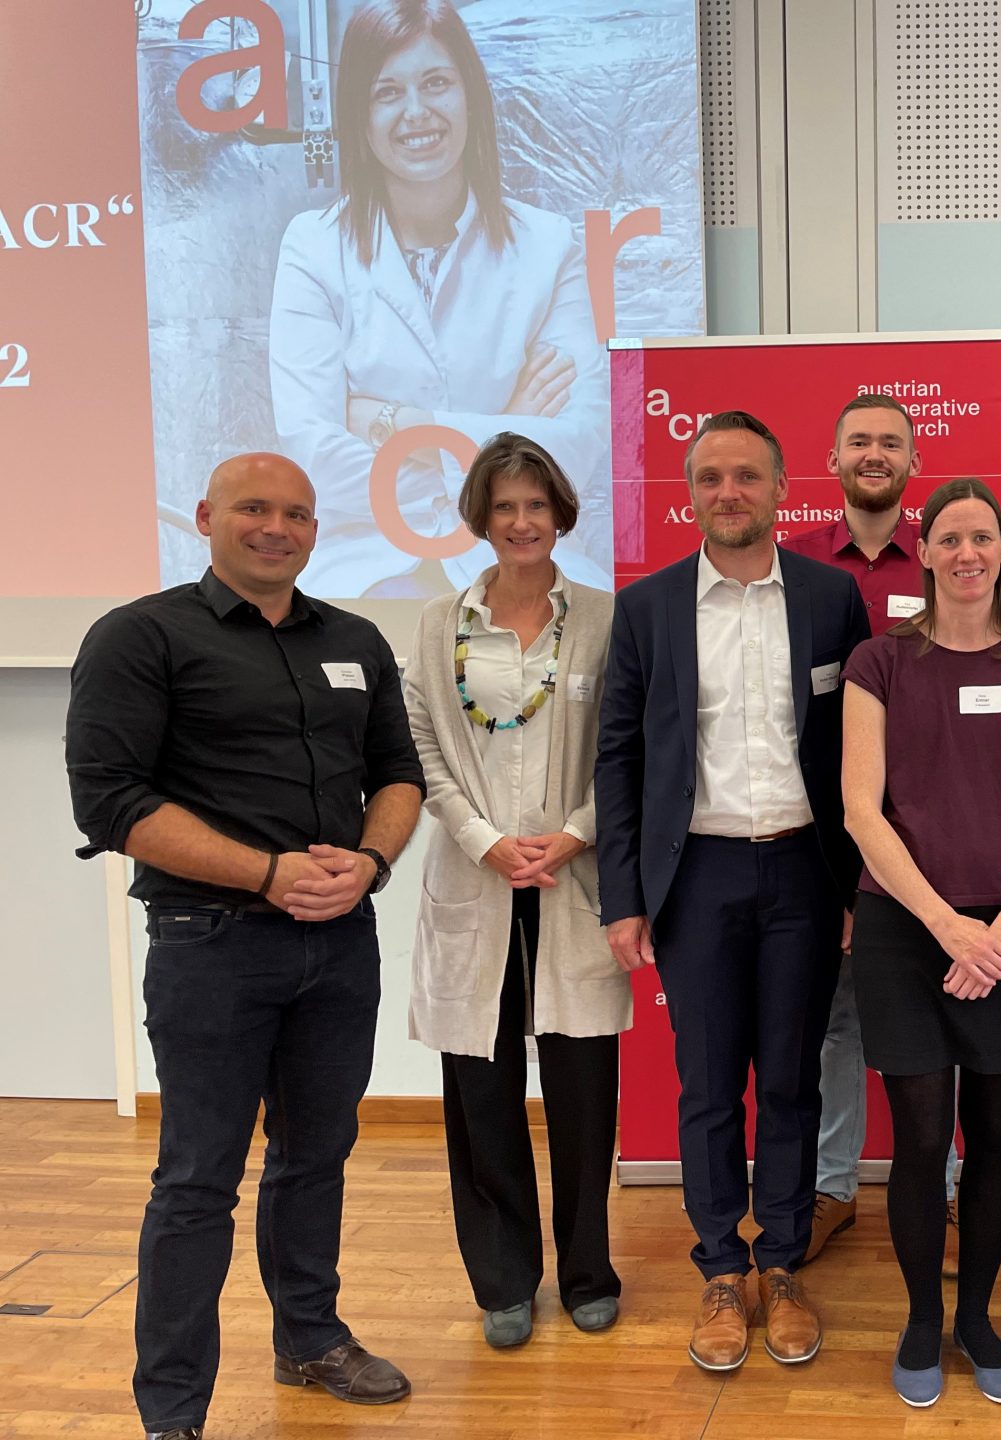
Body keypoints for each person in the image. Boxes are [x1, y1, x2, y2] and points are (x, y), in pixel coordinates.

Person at [66, 453, 425, 1440]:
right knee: (197, 1178)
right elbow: (111, 801)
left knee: (317, 1155)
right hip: (211, 942)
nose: (278, 527)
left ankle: (310, 1338)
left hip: (339, 943)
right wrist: (264, 873)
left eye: (297, 513)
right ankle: (172, 1411)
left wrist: (371, 862)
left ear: (317, 529)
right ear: (205, 518)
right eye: (255, 509)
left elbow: (398, 772)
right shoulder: (140, 636)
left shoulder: (354, 639)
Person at [594, 410, 869, 1374]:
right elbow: (619, 757)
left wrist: (855, 885)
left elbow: (854, 754)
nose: (728, 493)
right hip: (696, 876)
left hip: (805, 868)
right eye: (710, 477)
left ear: (783, 487)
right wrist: (622, 896)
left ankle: (782, 1264)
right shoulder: (650, 607)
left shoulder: (834, 599)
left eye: (747, 476)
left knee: (792, 1080)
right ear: (690, 492)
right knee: (709, 1086)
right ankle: (720, 1268)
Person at [841, 478, 1001, 1408]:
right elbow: (864, 807)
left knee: (991, 1138)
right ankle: (920, 1322)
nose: (968, 552)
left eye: (984, 537)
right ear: (925, 551)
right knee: (920, 1140)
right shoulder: (878, 662)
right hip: (907, 931)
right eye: (950, 538)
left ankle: (976, 1317)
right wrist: (948, 928)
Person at [402, 433, 628, 1348]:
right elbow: (418, 739)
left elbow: (630, 749)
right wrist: (484, 839)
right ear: (481, 519)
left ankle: (586, 1272)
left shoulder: (607, 618)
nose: (522, 522)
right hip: (478, 878)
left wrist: (574, 833)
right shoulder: (435, 625)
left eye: (536, 505)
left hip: (573, 878)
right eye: (504, 508)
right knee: (481, 1092)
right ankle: (502, 1278)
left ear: (561, 513)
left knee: (583, 1094)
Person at [270, 0, 609, 598]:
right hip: (365, 563)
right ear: (359, 113)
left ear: (470, 96)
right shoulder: (314, 247)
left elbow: (576, 451)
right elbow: (314, 457)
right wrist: (506, 429)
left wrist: (400, 424)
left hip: (523, 560)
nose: (416, 112)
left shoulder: (547, 246)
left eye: (436, 83)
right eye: (387, 92)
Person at [784, 391, 955, 1266]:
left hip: (939, 842)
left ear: (914, 461)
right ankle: (832, 1187)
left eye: (892, 441)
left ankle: (947, 1192)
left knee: (940, 1017)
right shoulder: (795, 567)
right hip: (824, 832)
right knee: (839, 1024)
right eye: (860, 442)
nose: (875, 454)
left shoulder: (951, 562)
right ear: (834, 461)